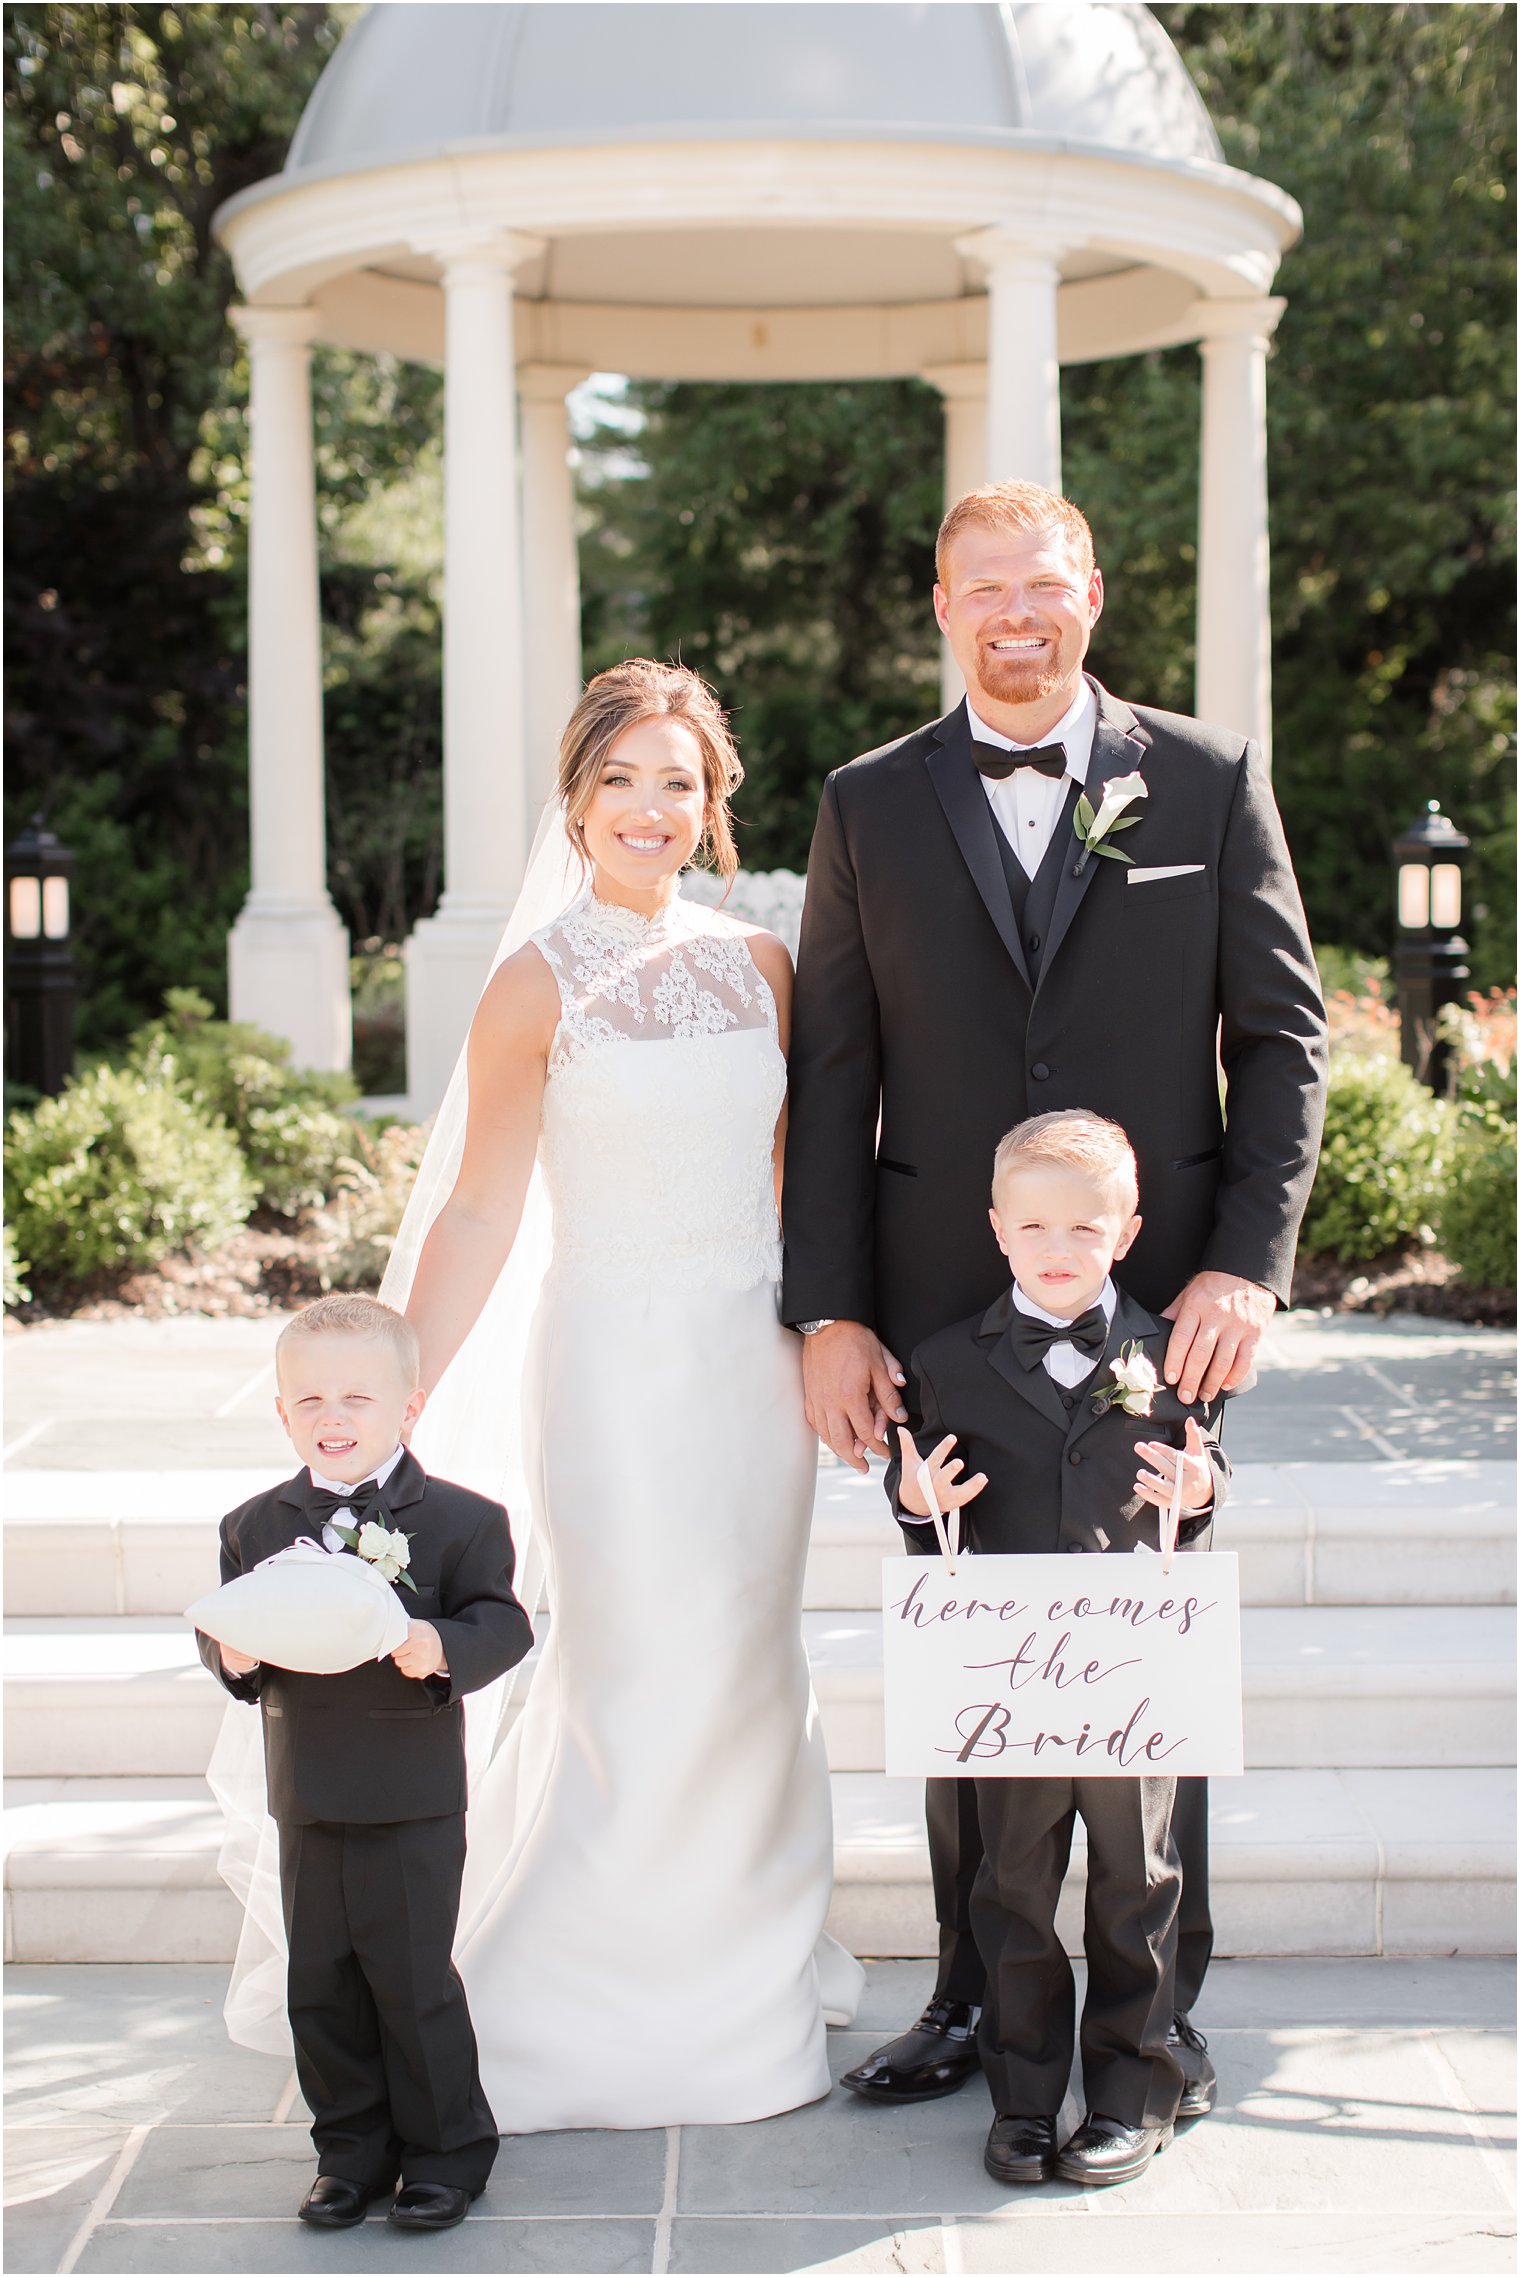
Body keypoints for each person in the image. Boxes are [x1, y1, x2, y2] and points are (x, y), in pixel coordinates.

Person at [782, 479, 1327, 2116]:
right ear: (942, 607)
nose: (1016, 618)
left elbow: (1287, 1037)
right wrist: (834, 1310)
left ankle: (1155, 2016)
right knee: (971, 1648)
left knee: (1155, 1640)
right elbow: (835, 1063)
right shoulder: (869, 801)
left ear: (1091, 590)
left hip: (1158, 1308)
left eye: (1043, 587)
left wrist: (1243, 1259)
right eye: (983, 593)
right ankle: (973, 1991)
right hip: (946, 1316)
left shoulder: (1210, 779)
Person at [401, 658, 863, 2134]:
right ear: (578, 800)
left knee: (743, 1665)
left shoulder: (762, 964)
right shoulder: (535, 982)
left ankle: (745, 1985)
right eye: (625, 781)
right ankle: (571, 2010)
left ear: (714, 804)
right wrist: (403, 1373)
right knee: (630, 1664)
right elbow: (479, 1209)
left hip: (749, 1365)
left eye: (681, 782)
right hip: (607, 1362)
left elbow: (797, 1184)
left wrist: (831, 1341)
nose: (653, 808)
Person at [889, 1111, 1232, 2186]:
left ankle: (1130, 2094)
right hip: (1010, 1680)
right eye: (1033, 1223)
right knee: (1012, 1892)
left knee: (1138, 1886)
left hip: (1131, 1673)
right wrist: (909, 1504)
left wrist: (1205, 1487)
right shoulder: (945, 1362)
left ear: (1126, 1230)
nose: (1056, 1246)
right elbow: (929, 1509)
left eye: (1084, 1227)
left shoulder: (1175, 1357)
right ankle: (1022, 2102)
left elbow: (1206, 1475)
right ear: (995, 1228)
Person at [197, 1294, 532, 2235]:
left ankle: (445, 2152)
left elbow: (503, 1623)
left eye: (355, 1397)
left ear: (409, 1408)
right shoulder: (254, 1524)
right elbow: (227, 1621)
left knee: (413, 1975)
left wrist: (436, 1643)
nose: (331, 1417)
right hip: (307, 1787)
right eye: (307, 1400)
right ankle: (350, 2151)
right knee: (323, 1978)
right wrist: (228, 1653)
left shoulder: (462, 1520)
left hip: (413, 1793)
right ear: (280, 1411)